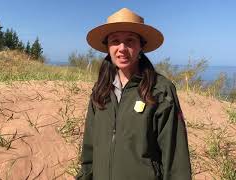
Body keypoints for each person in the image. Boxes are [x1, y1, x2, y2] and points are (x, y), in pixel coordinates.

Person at [75, 8, 192, 180]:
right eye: (115, 41)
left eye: (130, 40)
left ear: (141, 46)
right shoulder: (100, 90)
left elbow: (176, 159)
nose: (122, 48)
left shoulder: (160, 90)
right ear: (108, 47)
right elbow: (89, 150)